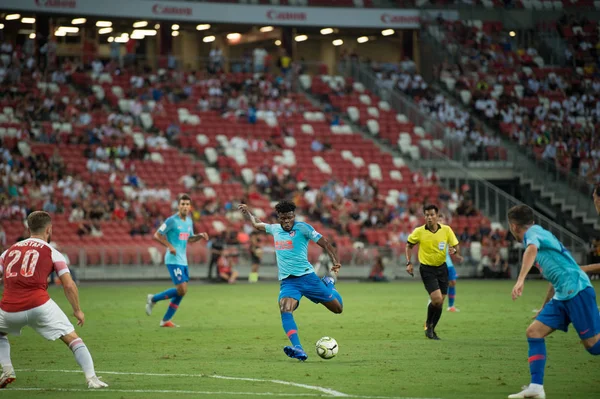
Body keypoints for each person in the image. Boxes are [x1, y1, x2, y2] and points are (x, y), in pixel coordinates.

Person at [0, 211, 107, 389]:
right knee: (72, 339)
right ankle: (92, 378)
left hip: (9, 308)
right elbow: (69, 285)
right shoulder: (52, 252)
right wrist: (77, 310)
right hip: (39, 305)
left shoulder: (8, 251)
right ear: (49, 229)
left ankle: (8, 369)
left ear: (28, 228)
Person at [507, 205, 600, 399]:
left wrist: (520, 279)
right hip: (562, 295)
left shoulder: (532, 235)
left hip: (577, 291)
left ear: (514, 226)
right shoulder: (540, 235)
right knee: (534, 332)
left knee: (594, 346)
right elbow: (554, 276)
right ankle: (536, 387)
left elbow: (531, 250)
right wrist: (543, 307)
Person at [239, 200, 343, 361]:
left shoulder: (303, 228)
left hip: (309, 279)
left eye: (289, 217)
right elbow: (257, 224)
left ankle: (329, 285)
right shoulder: (274, 229)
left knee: (338, 309)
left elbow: (325, 243)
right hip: (289, 283)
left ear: (294, 216)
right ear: (278, 217)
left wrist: (335, 261)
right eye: (283, 218)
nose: (286, 221)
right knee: (285, 308)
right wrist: (248, 212)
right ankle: (298, 348)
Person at [145, 194, 208, 327]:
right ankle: (153, 299)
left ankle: (165, 320)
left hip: (183, 260)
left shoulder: (189, 221)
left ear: (190, 207)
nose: (185, 207)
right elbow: (157, 235)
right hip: (173, 259)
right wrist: (169, 246)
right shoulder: (171, 220)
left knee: (182, 291)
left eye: (187, 204)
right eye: (182, 204)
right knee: (181, 289)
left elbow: (189, 239)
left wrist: (199, 236)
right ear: (178, 206)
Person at [405, 204, 460, 340]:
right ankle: (428, 325)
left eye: (432, 215)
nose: (429, 217)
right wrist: (409, 262)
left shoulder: (446, 230)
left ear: (437, 216)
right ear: (424, 216)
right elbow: (409, 245)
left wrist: (454, 250)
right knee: (436, 299)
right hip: (427, 269)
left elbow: (455, 245)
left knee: (440, 302)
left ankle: (431, 328)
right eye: (427, 215)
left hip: (442, 268)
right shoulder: (419, 231)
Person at [438, 215, 464, 312]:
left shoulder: (447, 233)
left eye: (442, 220)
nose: (441, 221)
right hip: (439, 264)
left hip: (448, 263)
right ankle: (433, 301)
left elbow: (452, 246)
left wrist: (457, 255)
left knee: (453, 283)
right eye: (439, 220)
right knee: (439, 286)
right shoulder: (433, 234)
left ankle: (451, 306)